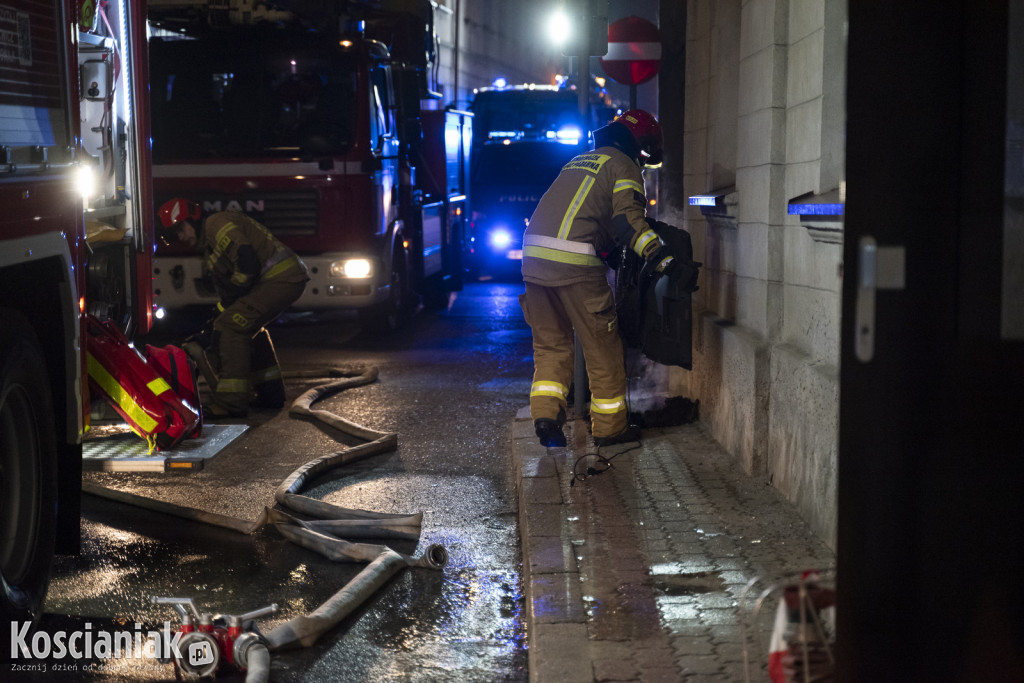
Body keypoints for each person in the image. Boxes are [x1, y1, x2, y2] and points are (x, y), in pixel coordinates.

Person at [519, 109, 677, 448]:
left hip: (533, 261)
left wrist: (606, 249)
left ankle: (546, 419)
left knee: (551, 346)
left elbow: (580, 215)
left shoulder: (580, 161)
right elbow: (628, 221)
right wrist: (659, 256)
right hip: (574, 265)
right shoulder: (625, 167)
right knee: (602, 347)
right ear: (641, 143)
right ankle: (609, 429)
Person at [157, 198, 310, 417]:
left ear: (193, 219)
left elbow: (247, 262)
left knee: (230, 328)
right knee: (239, 323)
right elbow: (229, 296)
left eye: (180, 229)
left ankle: (230, 404)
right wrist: (210, 329)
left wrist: (222, 322)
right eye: (174, 236)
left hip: (279, 279)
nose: (180, 237)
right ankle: (270, 393)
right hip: (281, 279)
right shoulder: (208, 249)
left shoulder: (215, 224)